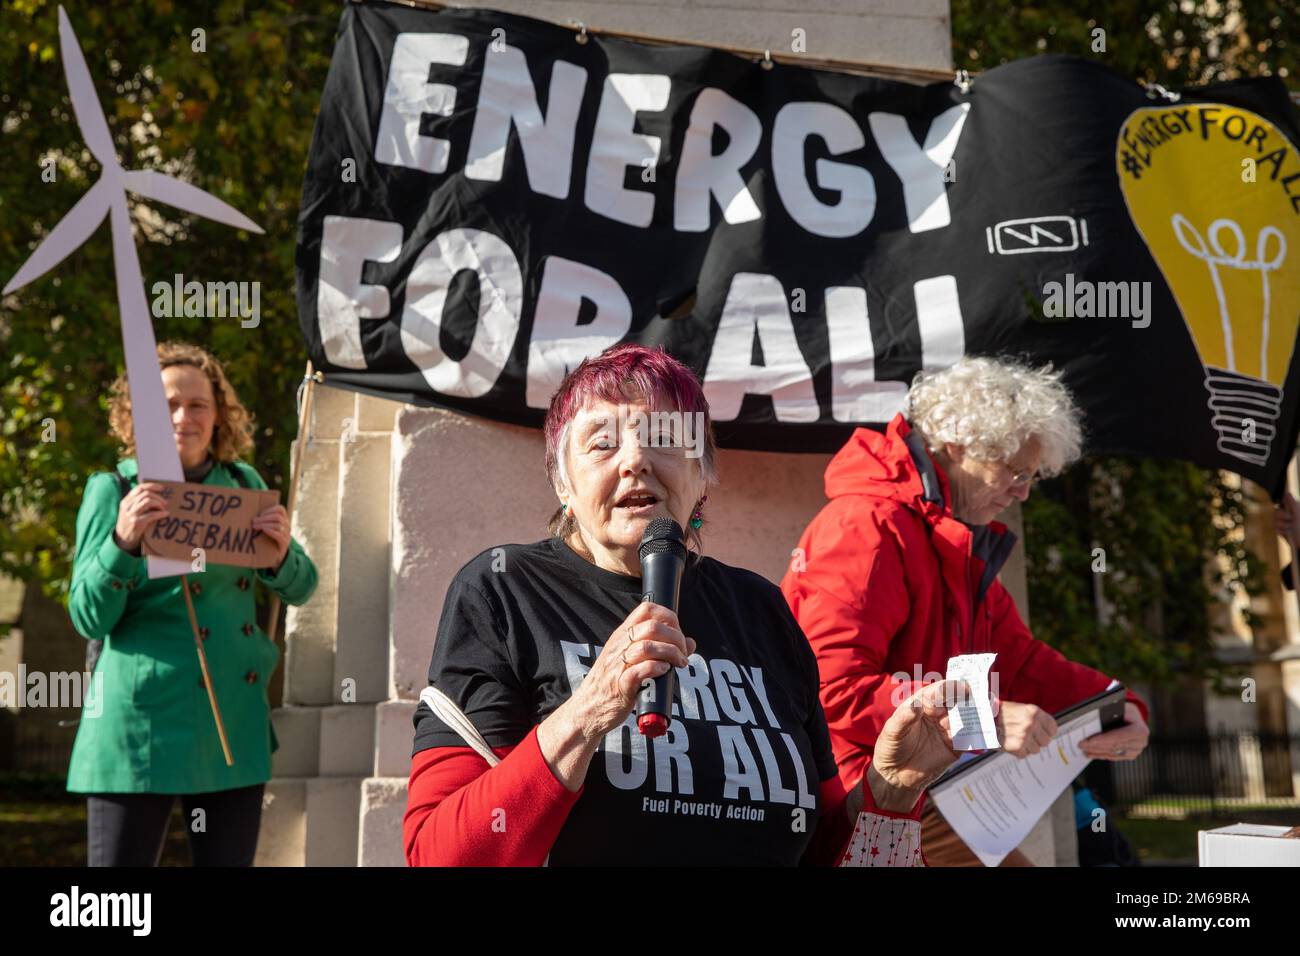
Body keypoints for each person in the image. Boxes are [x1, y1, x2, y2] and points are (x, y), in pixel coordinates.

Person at [404, 344, 965, 866]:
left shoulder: (760, 609)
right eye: (602, 443)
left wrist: (890, 791)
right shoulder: (504, 592)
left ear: (703, 478)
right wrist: (588, 712)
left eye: (666, 439)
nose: (635, 461)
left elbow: (817, 853)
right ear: (563, 484)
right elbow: (439, 855)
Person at [782, 356, 1151, 867]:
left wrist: (1118, 707)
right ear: (957, 445)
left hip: (929, 788)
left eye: (1032, 475)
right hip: (866, 791)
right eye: (1014, 471)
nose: (1023, 490)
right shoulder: (865, 525)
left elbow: (1019, 661)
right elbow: (830, 690)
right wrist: (984, 720)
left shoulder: (949, 539)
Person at [66, 341, 318, 866]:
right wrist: (122, 543)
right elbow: (88, 615)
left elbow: (302, 587)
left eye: (198, 404)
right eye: (167, 405)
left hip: (231, 725)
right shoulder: (113, 489)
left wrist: (279, 556)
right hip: (138, 732)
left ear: (218, 416)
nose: (183, 417)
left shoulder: (244, 485)